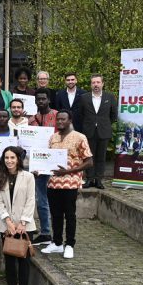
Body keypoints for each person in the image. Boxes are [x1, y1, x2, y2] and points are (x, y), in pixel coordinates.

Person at [42, 110, 93, 259]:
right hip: (53, 183)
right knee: (55, 214)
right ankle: (57, 243)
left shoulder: (79, 137)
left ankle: (69, 244)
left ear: (70, 120)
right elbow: (47, 159)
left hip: (70, 183)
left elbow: (89, 162)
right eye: (58, 120)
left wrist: (70, 171)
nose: (59, 122)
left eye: (63, 119)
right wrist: (39, 169)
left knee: (69, 215)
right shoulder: (53, 137)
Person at [0, 146, 35, 285]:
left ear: (18, 159)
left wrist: (23, 223)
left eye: (12, 157)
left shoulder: (28, 177)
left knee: (24, 262)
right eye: (6, 158)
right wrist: (9, 223)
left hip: (25, 227)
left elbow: (31, 200)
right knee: (10, 261)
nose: (9, 161)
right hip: (7, 226)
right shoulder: (0, 177)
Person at [29, 88, 58, 244]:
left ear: (49, 100)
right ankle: (44, 232)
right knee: (39, 199)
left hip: (53, 163)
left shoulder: (57, 116)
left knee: (48, 199)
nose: (41, 101)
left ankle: (51, 232)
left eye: (43, 99)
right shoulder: (32, 119)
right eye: (38, 99)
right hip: (36, 164)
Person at [78, 74, 117, 189]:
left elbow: (113, 115)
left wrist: (103, 123)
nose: (96, 84)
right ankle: (89, 179)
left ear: (102, 84)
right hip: (88, 131)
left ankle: (98, 180)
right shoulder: (84, 97)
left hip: (103, 131)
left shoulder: (109, 97)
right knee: (89, 156)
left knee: (101, 157)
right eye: (93, 82)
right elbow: (81, 114)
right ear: (91, 84)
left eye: (98, 82)